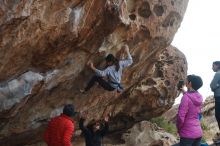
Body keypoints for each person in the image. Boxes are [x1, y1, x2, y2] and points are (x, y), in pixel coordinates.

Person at [176, 75, 203, 146]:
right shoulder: (199, 97)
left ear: (190, 83)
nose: (185, 82)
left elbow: (180, 117)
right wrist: (184, 92)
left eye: (186, 80)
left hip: (187, 134)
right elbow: (191, 98)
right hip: (198, 133)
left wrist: (179, 129)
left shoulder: (186, 98)